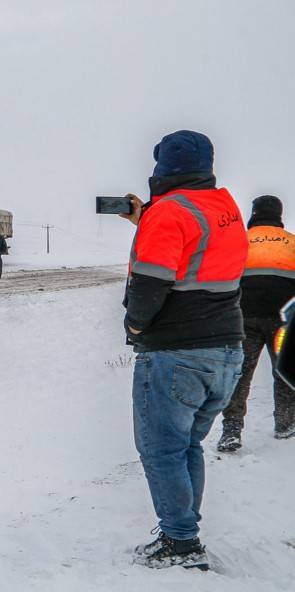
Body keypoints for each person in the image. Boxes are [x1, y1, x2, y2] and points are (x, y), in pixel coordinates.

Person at [120, 130, 248, 570]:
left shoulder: (168, 213)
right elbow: (197, 250)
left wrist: (135, 324)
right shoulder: (224, 208)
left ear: (163, 168)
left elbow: (150, 284)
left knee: (161, 448)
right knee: (187, 446)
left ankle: (181, 543)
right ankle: (183, 532)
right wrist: (149, 219)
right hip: (226, 349)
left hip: (177, 352)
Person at [217, 196, 295, 451]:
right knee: (284, 372)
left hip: (243, 320)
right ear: (279, 215)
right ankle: (286, 424)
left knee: (240, 375)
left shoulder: (239, 242)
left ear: (254, 213)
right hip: (283, 322)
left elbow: (222, 280)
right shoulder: (292, 243)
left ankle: (231, 431)